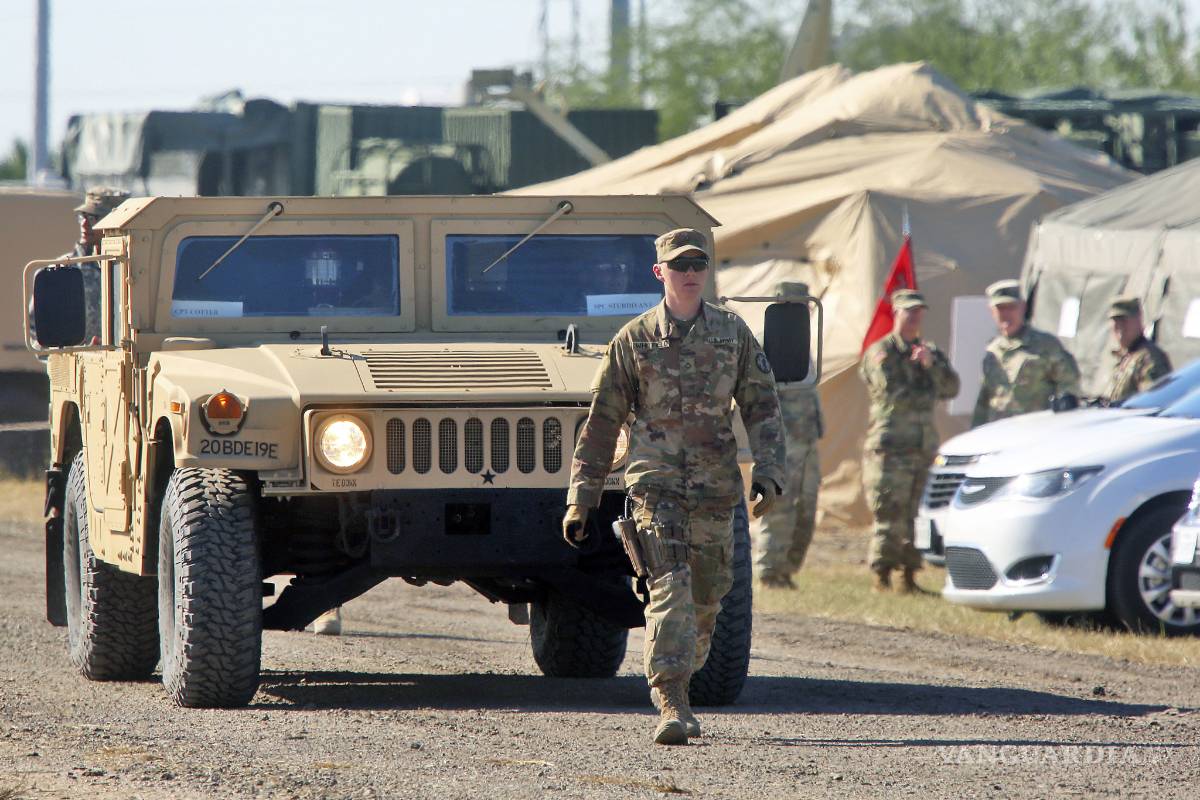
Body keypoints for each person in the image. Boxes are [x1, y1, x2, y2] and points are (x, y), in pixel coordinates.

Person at [563, 227, 785, 746]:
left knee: (706, 600)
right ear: (658, 272)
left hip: (715, 489)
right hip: (655, 487)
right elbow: (602, 424)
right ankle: (671, 701)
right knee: (669, 589)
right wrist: (581, 497)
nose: (689, 273)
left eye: (697, 265)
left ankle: (684, 667)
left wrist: (770, 471)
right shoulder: (633, 339)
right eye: (679, 265)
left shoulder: (732, 333)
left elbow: (762, 406)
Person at [860, 290, 960, 593]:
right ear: (896, 313)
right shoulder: (882, 351)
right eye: (909, 311)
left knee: (918, 514)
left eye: (919, 312)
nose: (914, 317)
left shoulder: (929, 353)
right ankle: (881, 575)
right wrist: (924, 379)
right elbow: (891, 390)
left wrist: (931, 366)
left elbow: (952, 388)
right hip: (891, 446)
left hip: (922, 446)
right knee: (889, 510)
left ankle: (909, 575)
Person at [752, 281, 822, 590]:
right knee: (779, 504)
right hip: (781, 440)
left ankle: (786, 570)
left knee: (807, 506)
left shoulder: (803, 342)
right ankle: (769, 571)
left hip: (807, 439)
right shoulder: (765, 341)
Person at [971, 279, 1080, 428]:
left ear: (1023, 307)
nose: (1006, 314)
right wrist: (976, 431)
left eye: (1011, 307)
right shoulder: (993, 351)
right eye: (1000, 308)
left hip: (1037, 432)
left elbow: (1070, 386)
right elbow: (984, 399)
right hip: (1001, 433)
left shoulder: (1046, 346)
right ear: (992, 311)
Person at [70, 187, 130, 344]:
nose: (84, 224)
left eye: (93, 218)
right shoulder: (65, 271)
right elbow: (38, 332)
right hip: (79, 358)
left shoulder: (136, 272)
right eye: (82, 216)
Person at [1101, 296, 1172, 405]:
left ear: (1138, 321)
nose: (1120, 328)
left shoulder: (1149, 358)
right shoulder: (1126, 357)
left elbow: (1152, 401)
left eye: (1124, 321)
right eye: (1116, 322)